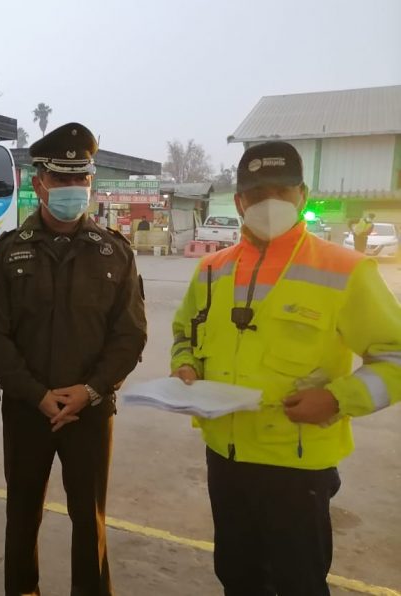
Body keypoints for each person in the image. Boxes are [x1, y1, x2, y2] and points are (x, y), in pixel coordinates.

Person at [171, 142, 401, 595]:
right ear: (239, 202)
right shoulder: (211, 271)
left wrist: (338, 399)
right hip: (226, 458)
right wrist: (184, 366)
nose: (268, 203)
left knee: (298, 583)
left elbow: (395, 356)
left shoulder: (346, 270)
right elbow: (185, 333)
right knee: (237, 577)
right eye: (256, 195)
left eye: (280, 191)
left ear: (303, 195)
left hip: (297, 467)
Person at [0, 123, 147, 596]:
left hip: (90, 413)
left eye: (81, 179)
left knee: (89, 521)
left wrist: (91, 390)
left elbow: (130, 334)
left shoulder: (115, 252)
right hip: (28, 411)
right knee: (22, 516)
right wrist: (36, 395)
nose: (74, 189)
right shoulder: (9, 253)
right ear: (39, 184)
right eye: (63, 179)